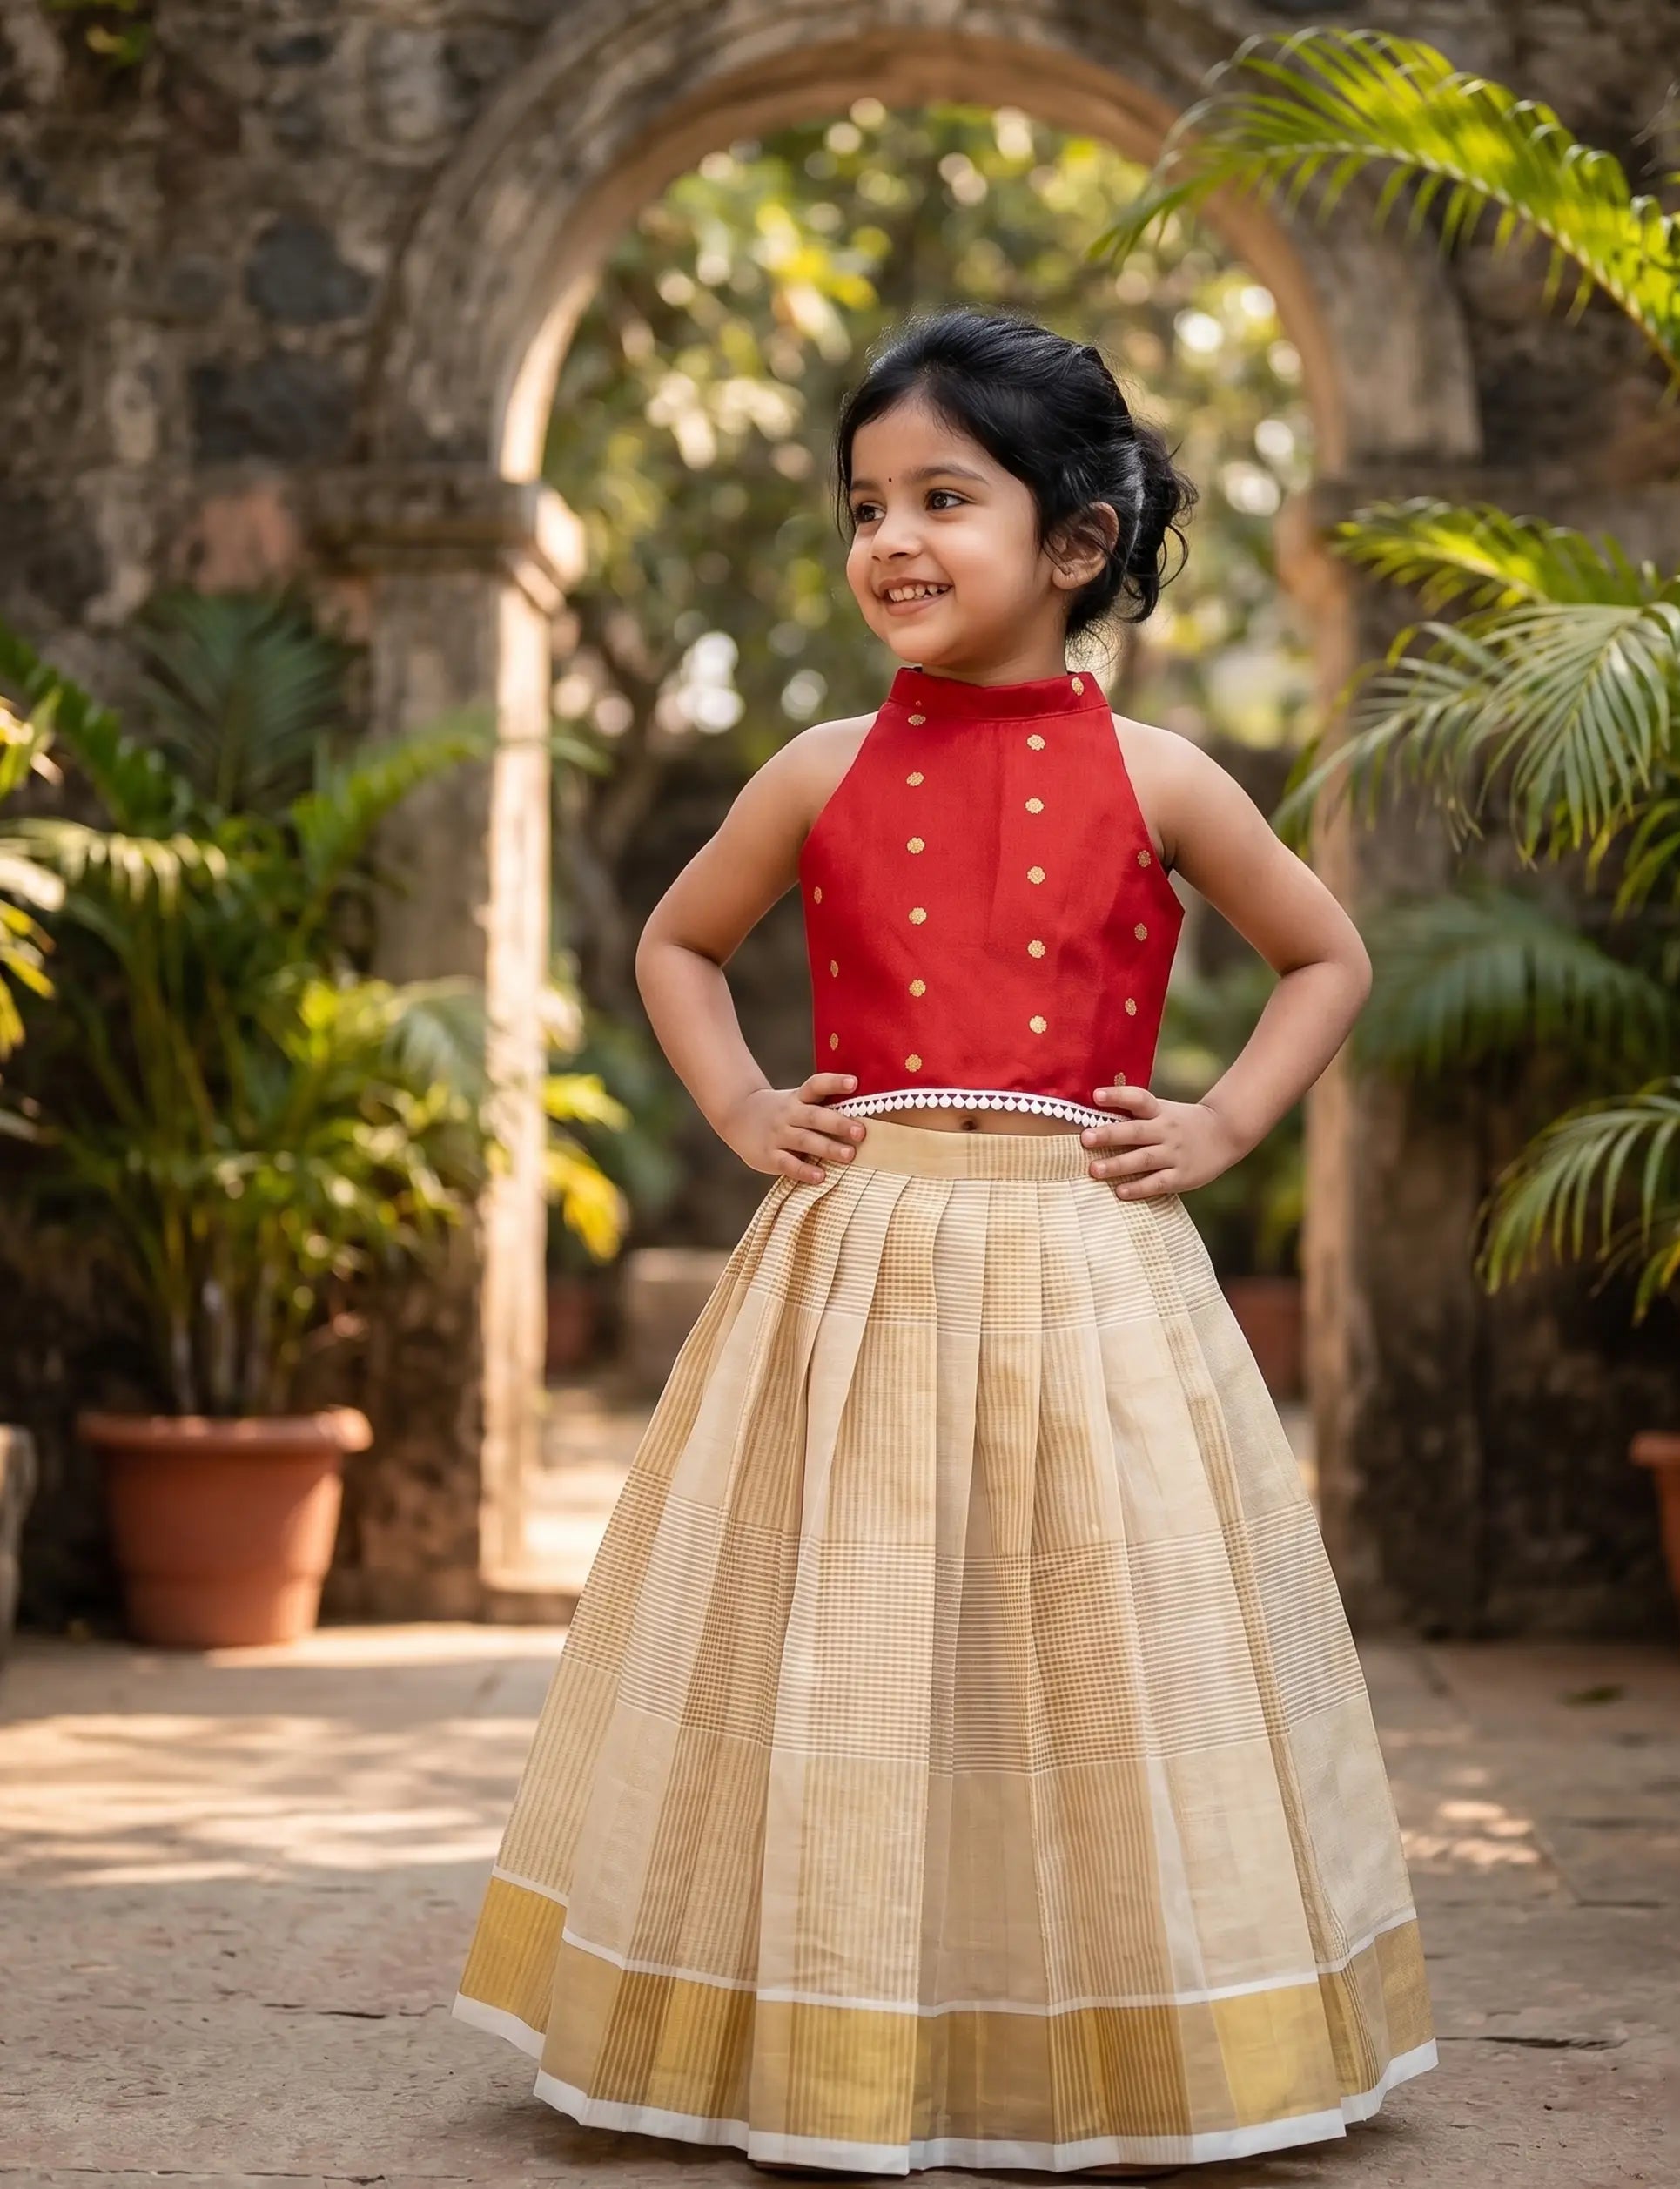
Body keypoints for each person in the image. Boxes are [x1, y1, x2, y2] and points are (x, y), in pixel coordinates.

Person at [453, 307, 1435, 2177]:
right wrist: (745, 1110)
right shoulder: (820, 765)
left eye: (940, 499)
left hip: (1085, 1259)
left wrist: (1221, 1121)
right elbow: (677, 942)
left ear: (1072, 542)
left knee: (1095, 1642)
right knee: (850, 1640)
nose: (888, 540)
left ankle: (1124, 2028)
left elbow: (1327, 953)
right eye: (862, 504)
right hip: (858, 1267)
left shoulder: (1160, 777)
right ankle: (822, 2025)